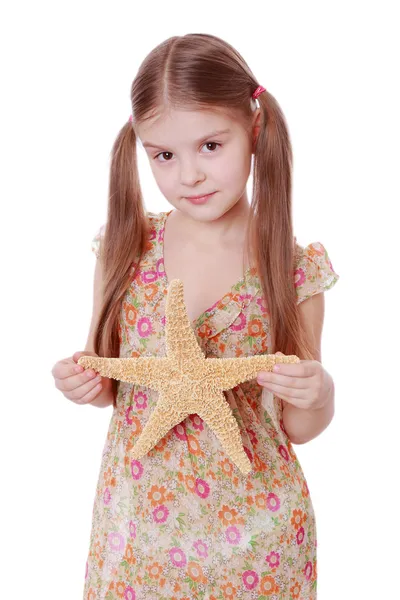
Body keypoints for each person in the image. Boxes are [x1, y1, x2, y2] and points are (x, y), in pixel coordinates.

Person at [51, 33, 340, 599]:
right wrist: (82, 381)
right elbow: (112, 380)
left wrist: (319, 393)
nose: (189, 175)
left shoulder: (294, 269)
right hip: (138, 535)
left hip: (258, 537)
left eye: (210, 146)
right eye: (163, 155)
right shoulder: (125, 249)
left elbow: (298, 429)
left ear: (254, 131)